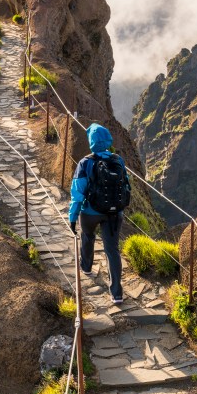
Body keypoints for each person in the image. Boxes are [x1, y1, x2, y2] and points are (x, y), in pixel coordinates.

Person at [68, 123, 131, 303]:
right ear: (108, 140)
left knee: (87, 235)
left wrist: (72, 218)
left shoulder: (85, 163)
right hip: (114, 214)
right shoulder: (118, 160)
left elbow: (77, 194)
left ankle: (86, 267)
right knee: (112, 250)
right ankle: (117, 293)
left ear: (91, 142)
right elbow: (126, 185)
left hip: (91, 212)